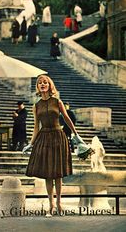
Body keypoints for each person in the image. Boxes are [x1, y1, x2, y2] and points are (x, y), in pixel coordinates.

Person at [24, 74, 78, 216]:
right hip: (44, 137)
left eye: (45, 82)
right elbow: (36, 126)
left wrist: (76, 134)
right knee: (48, 173)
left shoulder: (57, 102)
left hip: (59, 137)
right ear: (38, 87)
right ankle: (51, 205)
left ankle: (59, 203)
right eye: (40, 82)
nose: (42, 84)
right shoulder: (36, 106)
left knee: (58, 174)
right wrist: (30, 144)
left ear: (50, 85)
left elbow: (66, 119)